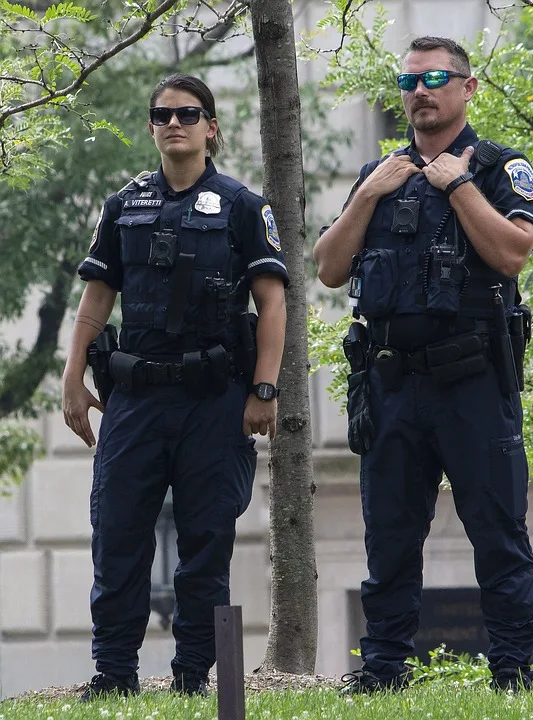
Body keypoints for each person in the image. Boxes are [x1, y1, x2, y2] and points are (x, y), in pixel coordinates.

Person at [313, 36, 533, 694]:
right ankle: (384, 670)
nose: (420, 90)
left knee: (497, 530)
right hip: (392, 383)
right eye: (409, 80)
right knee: (388, 535)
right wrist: (366, 198)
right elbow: (328, 269)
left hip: (472, 379)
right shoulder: (377, 177)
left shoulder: (501, 168)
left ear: (467, 88)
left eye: (436, 77)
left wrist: (460, 185)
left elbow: (512, 254)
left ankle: (513, 672)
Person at [62, 73, 288, 700]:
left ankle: (193, 677)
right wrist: (72, 376)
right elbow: (96, 298)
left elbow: (272, 303)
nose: (174, 123)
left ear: (211, 128)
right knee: (118, 538)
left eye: (189, 114)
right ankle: (113, 676)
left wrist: (263, 390)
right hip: (134, 400)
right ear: (152, 127)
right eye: (162, 114)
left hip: (214, 401)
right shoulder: (123, 205)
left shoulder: (244, 207)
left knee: (205, 544)